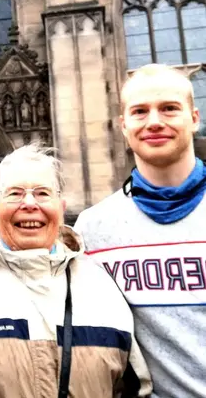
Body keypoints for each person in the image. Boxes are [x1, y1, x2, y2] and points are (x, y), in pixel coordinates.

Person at [0, 143, 152, 398]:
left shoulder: (104, 290)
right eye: (14, 193)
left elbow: (134, 389)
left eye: (43, 193)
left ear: (61, 208)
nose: (30, 203)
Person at [75, 63, 206, 398]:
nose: (154, 122)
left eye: (169, 108)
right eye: (140, 111)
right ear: (123, 126)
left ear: (194, 118)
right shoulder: (91, 229)